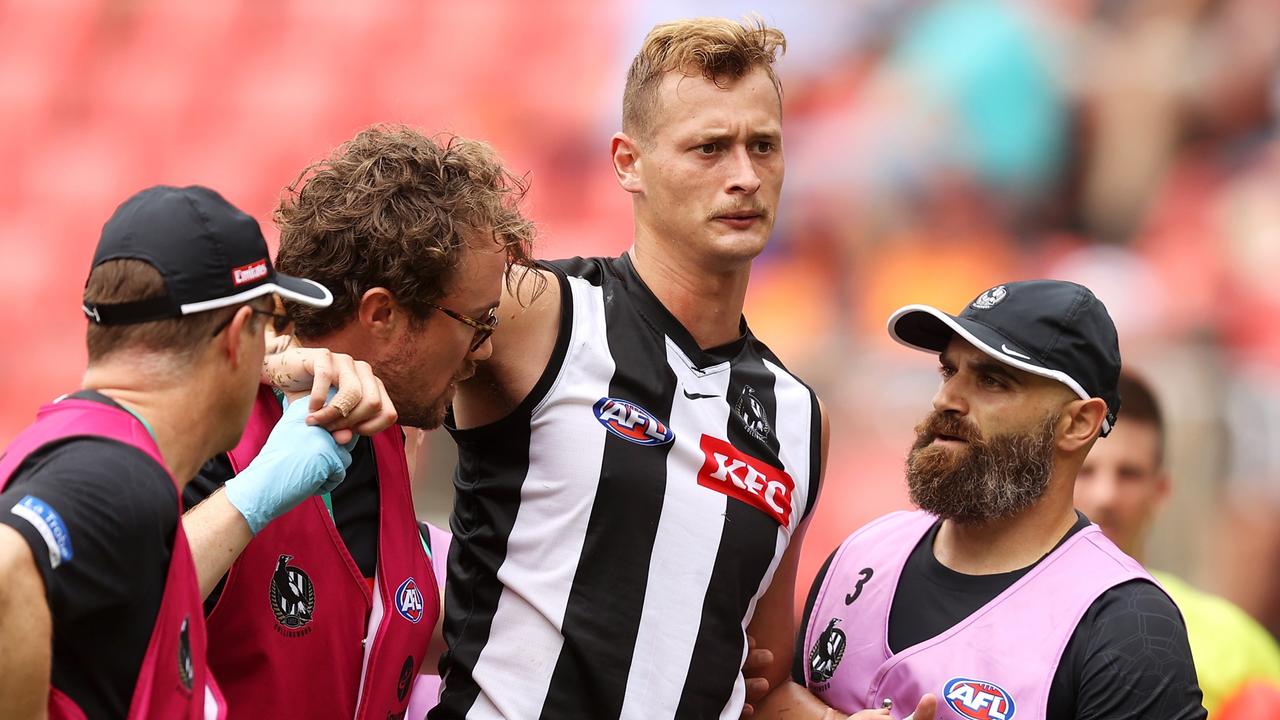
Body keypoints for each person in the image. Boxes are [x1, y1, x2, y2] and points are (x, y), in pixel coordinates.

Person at [439, 16, 841, 720]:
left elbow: (763, 684)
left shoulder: (800, 418)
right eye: (710, 148)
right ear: (628, 162)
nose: (745, 176)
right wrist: (296, 360)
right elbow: (369, 347)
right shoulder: (539, 312)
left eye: (764, 147)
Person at [180, 125, 536, 719]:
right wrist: (249, 499)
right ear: (381, 313)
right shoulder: (219, 440)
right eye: (477, 320)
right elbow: (104, 610)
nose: (485, 350)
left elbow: (401, 634)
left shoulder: (390, 441)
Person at [766, 280, 1207, 719]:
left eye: (993, 380)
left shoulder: (1126, 625)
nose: (946, 399)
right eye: (948, 371)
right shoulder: (862, 554)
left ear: (1077, 424)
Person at [0, 185, 360, 718]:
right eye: (273, 325)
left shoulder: (82, 438)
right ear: (240, 338)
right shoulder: (117, 472)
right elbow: (4, 570)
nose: (277, 349)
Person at [1074, 372, 1280, 716]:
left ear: (1161, 490)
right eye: (1085, 469)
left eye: (1130, 474)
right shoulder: (995, 611)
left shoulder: (1234, 645)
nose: (1106, 495)